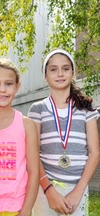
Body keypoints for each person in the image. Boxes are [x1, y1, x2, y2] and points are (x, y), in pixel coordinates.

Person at [28, 49, 100, 215]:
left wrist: (78, 191)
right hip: (45, 189)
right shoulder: (37, 109)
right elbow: (32, 153)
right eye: (53, 69)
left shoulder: (86, 109)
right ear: (45, 76)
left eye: (66, 68)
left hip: (78, 188)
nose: (60, 73)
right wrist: (49, 190)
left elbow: (95, 153)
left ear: (73, 74)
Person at [0, 58, 39, 216]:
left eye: (9, 84)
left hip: (16, 207)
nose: (2, 89)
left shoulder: (27, 125)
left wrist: (25, 211)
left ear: (17, 87)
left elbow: (34, 172)